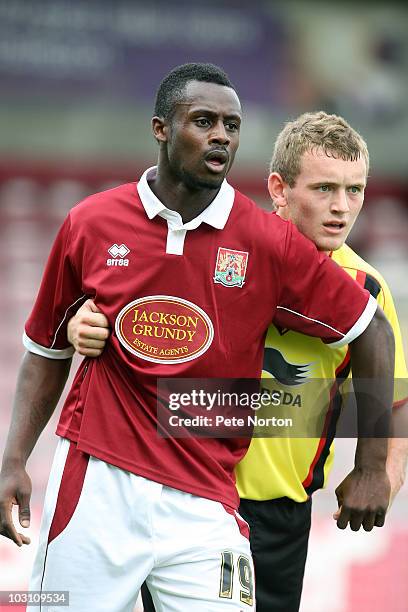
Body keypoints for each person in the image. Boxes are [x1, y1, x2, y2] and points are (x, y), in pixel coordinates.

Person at [0, 65, 395, 612]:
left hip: (216, 497)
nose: (221, 136)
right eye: (204, 121)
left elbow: (374, 335)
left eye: (231, 125)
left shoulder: (271, 245)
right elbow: (46, 350)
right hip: (97, 480)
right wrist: (15, 458)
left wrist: (373, 468)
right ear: (161, 128)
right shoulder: (91, 223)